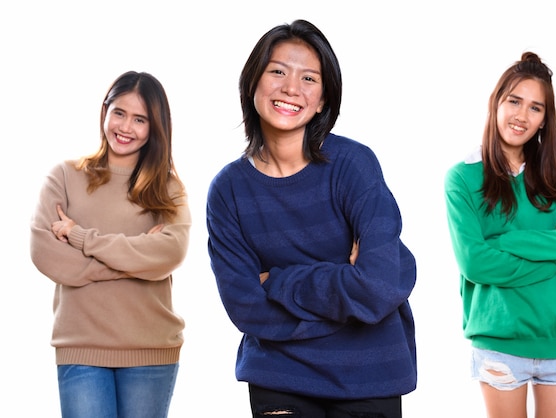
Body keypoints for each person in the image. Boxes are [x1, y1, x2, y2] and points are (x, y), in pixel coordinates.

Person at [206, 19, 416, 418]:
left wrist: (281, 281)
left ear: (322, 100)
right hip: (280, 372)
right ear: (254, 83)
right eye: (278, 72)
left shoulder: (354, 165)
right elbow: (246, 307)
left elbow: (382, 283)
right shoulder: (228, 190)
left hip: (370, 369)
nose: (291, 88)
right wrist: (348, 294)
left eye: (309, 78)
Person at [444, 52, 556, 418]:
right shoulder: (463, 178)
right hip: (499, 339)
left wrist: (508, 243)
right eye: (514, 101)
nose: (522, 116)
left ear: (545, 119)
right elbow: (476, 264)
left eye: (536, 108)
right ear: (496, 102)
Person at [30, 71, 191, 418]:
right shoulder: (65, 176)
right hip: (80, 346)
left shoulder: (168, 189)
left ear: (155, 127)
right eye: (119, 112)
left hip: (150, 348)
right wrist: (133, 260)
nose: (126, 127)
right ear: (104, 111)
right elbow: (45, 253)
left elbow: (170, 252)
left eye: (140, 119)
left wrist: (81, 238)